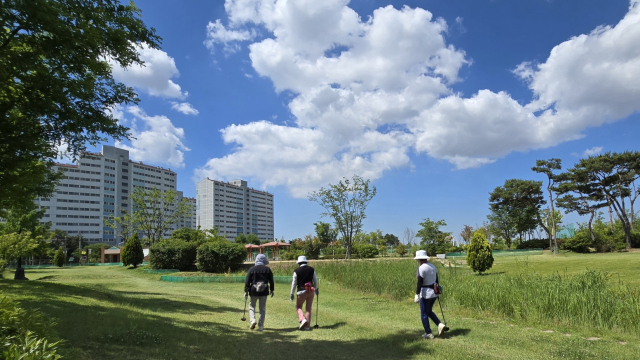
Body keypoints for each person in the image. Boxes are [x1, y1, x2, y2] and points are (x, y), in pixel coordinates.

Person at [414, 250, 447, 339]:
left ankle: (429, 333)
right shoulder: (433, 267)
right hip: (434, 294)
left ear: (419, 259)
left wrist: (417, 294)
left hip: (425, 294)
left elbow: (420, 282)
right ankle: (440, 324)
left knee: (424, 313)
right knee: (429, 311)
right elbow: (436, 281)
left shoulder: (421, 268)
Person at [244, 253, 274, 331]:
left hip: (253, 290)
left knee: (252, 306)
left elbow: (247, 281)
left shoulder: (252, 269)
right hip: (264, 290)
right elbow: (271, 280)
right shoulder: (267, 269)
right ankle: (261, 326)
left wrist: (246, 291)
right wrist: (272, 289)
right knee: (262, 308)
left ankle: (253, 320)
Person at [290, 255, 318, 330]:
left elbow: (294, 283)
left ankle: (302, 319)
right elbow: (315, 280)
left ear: (299, 263)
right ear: (305, 262)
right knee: (308, 308)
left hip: (301, 291)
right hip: (311, 290)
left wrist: (292, 293)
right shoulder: (312, 269)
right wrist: (316, 288)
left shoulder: (296, 271)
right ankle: (307, 326)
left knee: (298, 306)